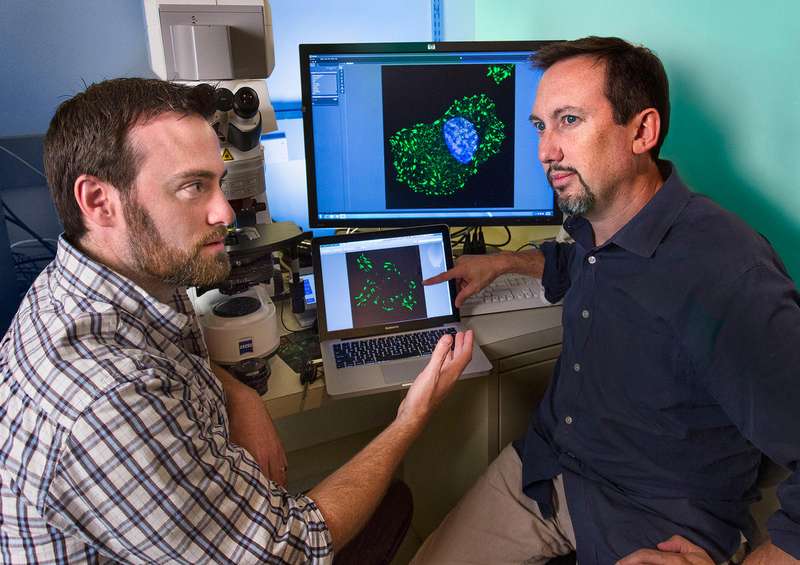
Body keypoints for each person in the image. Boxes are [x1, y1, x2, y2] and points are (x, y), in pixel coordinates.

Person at [0, 77, 474, 563]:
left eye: (219, 183)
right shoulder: (102, 404)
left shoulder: (116, 283)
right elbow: (292, 551)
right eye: (193, 187)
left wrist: (238, 392)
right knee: (394, 504)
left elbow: (170, 351)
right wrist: (409, 418)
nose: (224, 211)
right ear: (99, 202)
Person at [413, 36, 800, 565]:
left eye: (568, 120)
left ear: (642, 131)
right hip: (547, 471)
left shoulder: (728, 275)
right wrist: (505, 262)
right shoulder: (597, 222)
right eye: (539, 126)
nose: (546, 149)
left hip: (658, 520)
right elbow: (582, 262)